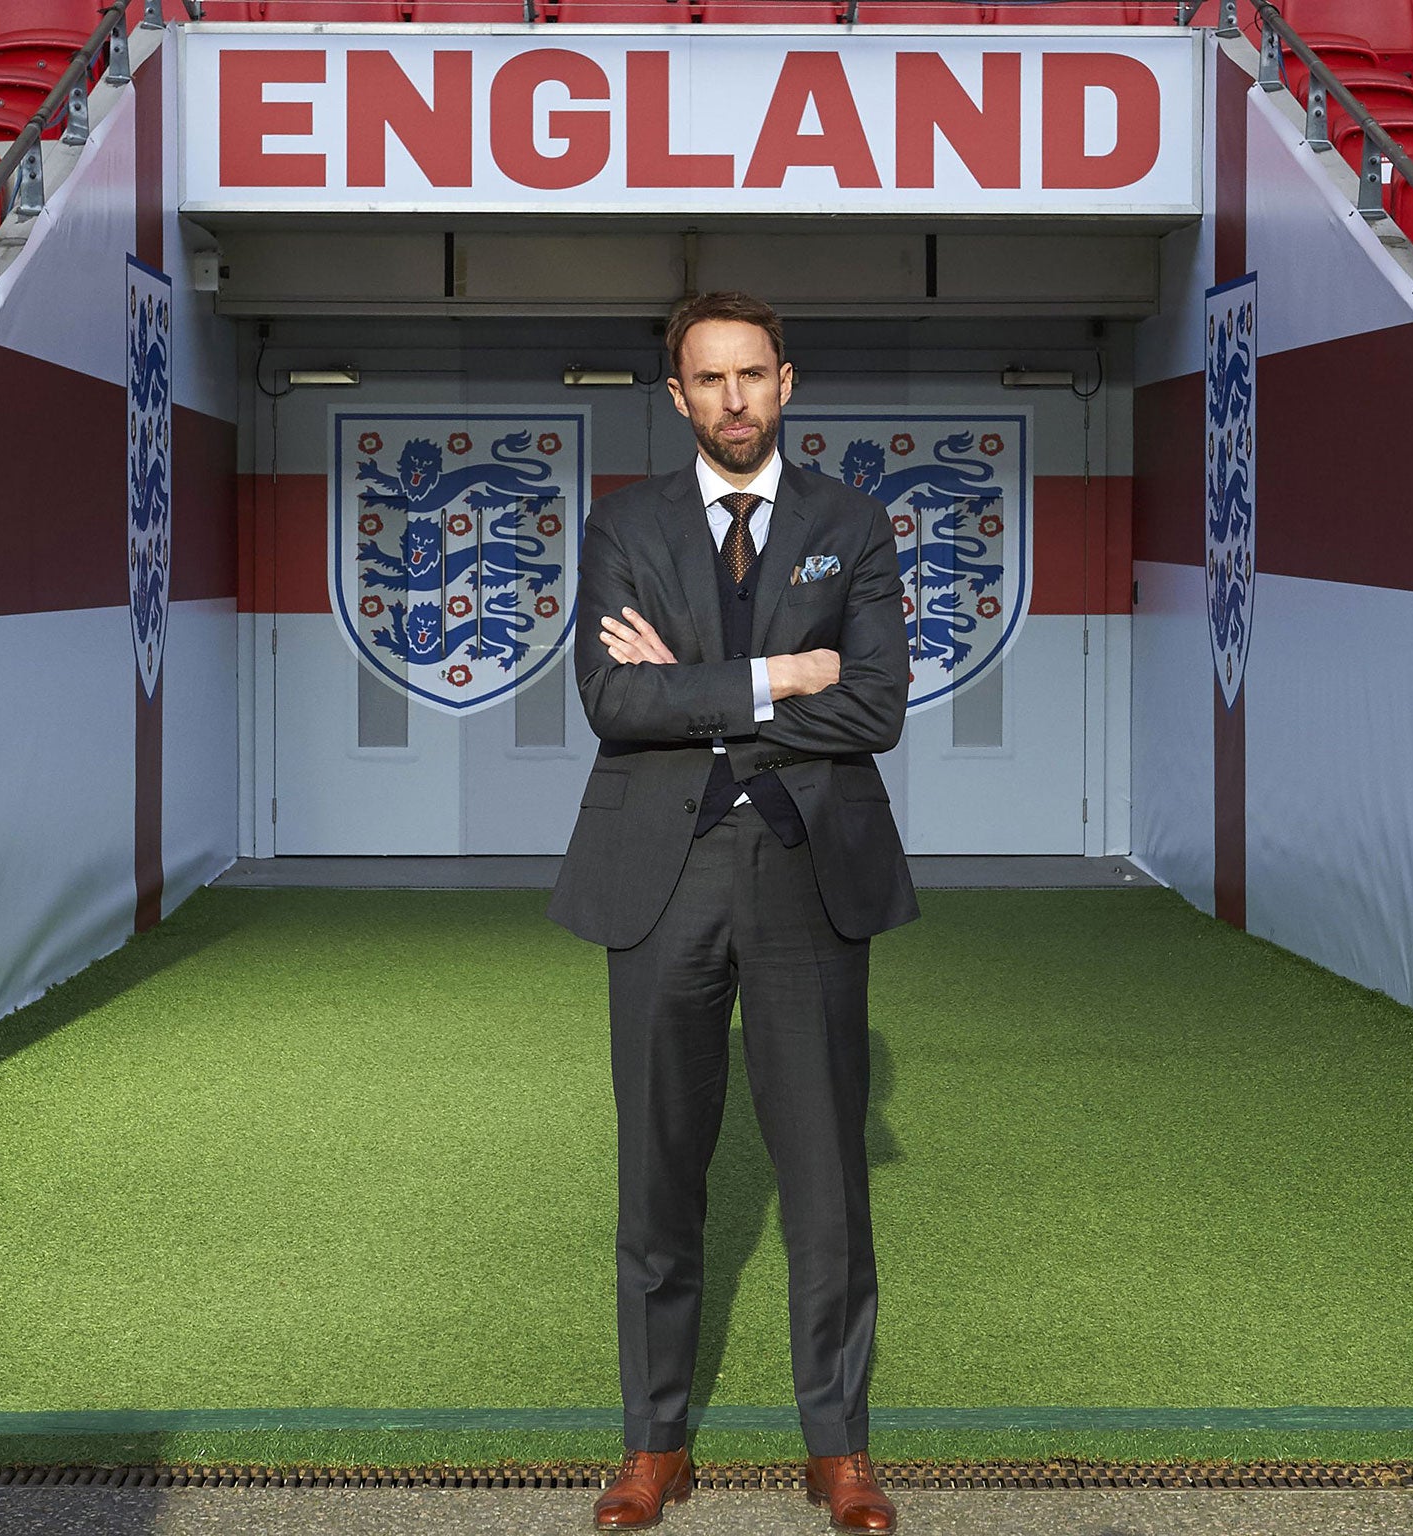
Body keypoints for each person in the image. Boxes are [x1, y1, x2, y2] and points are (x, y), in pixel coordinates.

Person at [546, 290, 920, 1532]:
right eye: (708, 380)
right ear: (676, 397)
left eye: (751, 375)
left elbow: (872, 709)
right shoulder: (624, 526)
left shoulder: (849, 524)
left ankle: (838, 1449)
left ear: (785, 382)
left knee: (825, 1185)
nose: (733, 399)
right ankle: (654, 1445)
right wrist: (775, 676)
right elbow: (611, 701)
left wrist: (694, 690)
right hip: (662, 877)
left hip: (808, 874)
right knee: (657, 1175)